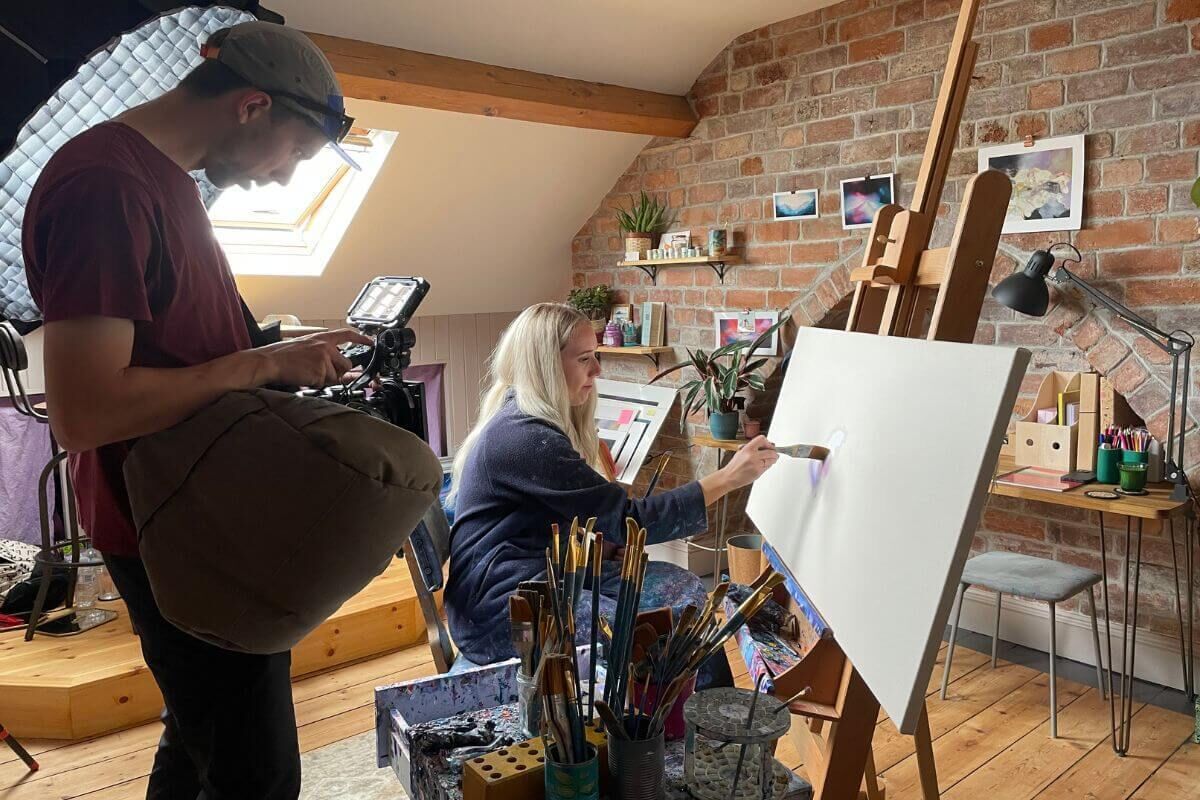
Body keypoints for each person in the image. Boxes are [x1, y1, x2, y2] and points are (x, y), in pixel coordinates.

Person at [23, 22, 373, 800]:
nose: (286, 180)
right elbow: (84, 412)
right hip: (165, 526)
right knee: (256, 773)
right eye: (294, 155)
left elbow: (183, 341)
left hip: (203, 511)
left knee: (199, 735)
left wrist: (281, 346)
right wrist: (259, 364)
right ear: (252, 106)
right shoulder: (103, 187)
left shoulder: (169, 183)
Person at [445, 302, 779, 674]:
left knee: (685, 596)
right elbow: (630, 520)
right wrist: (730, 477)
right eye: (585, 358)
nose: (597, 370)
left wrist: (599, 548)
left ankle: (705, 716)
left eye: (596, 356)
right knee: (655, 630)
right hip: (502, 611)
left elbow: (538, 523)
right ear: (546, 365)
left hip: (535, 579)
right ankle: (692, 720)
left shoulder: (524, 421)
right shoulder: (525, 438)